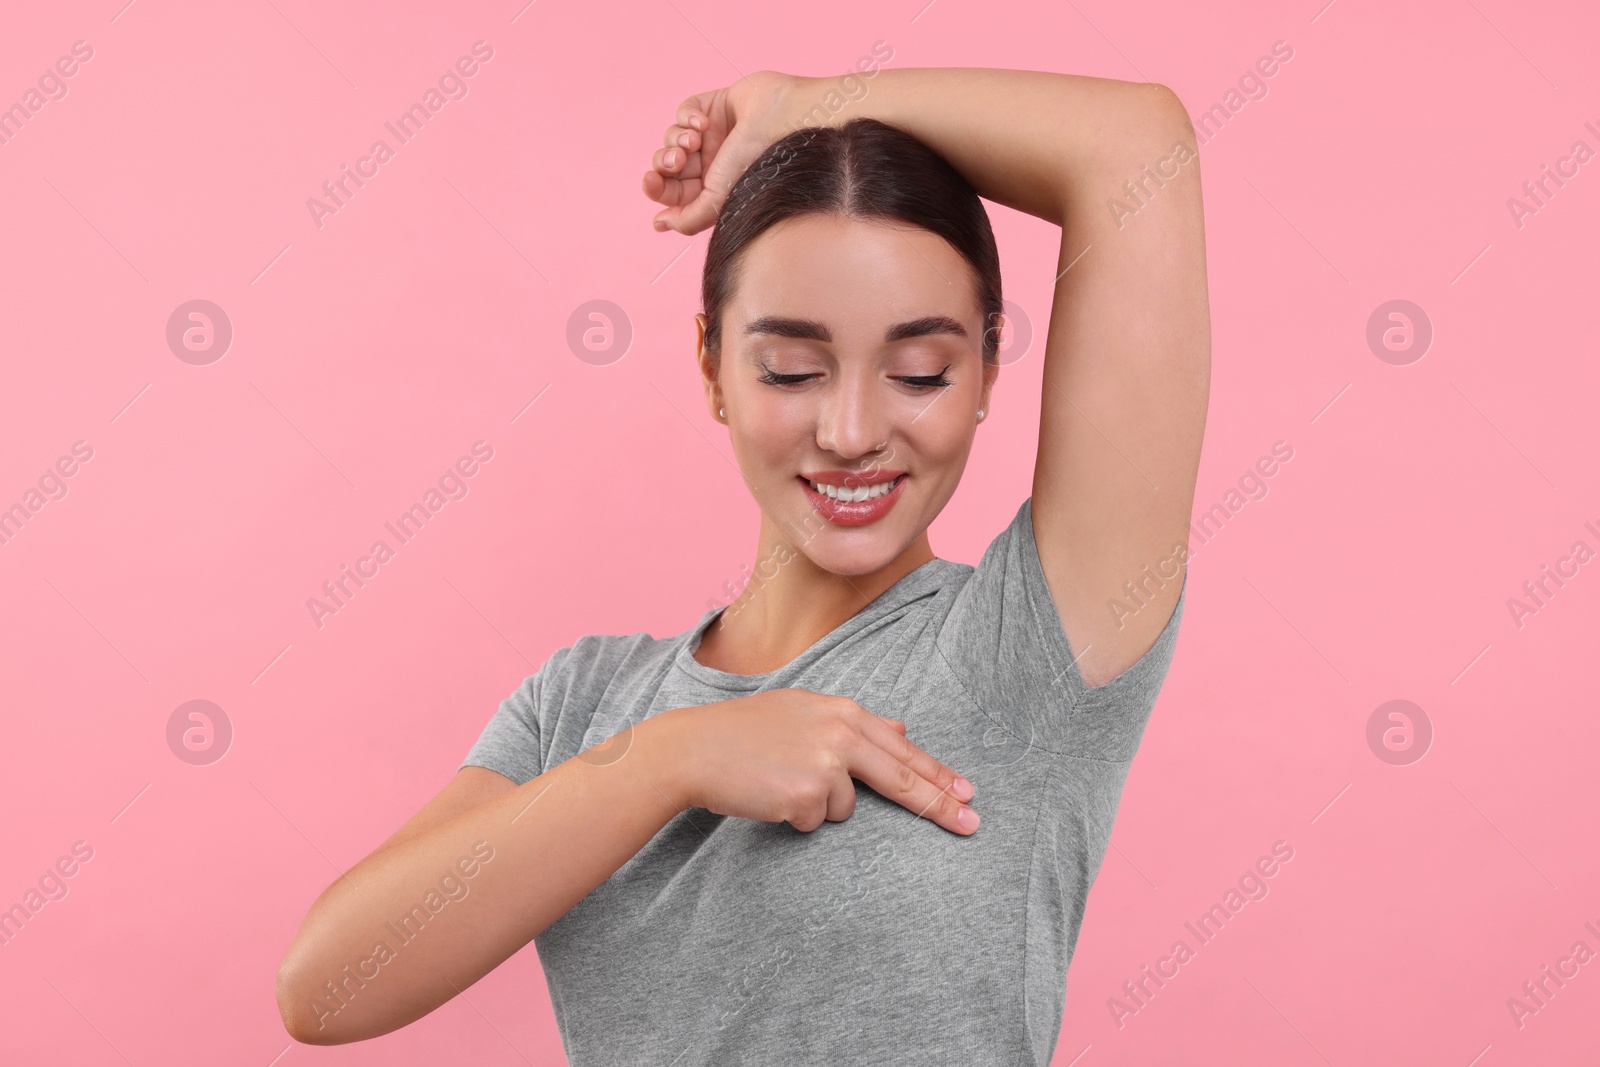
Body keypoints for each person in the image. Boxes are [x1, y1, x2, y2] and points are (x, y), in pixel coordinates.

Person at [275, 66, 1210, 1064]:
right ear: (713, 367)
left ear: (984, 368)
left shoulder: (1029, 650)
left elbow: (1135, 147)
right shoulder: (586, 703)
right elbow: (325, 987)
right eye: (792, 370)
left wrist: (808, 108)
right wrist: (672, 758)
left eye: (919, 371)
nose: (852, 431)